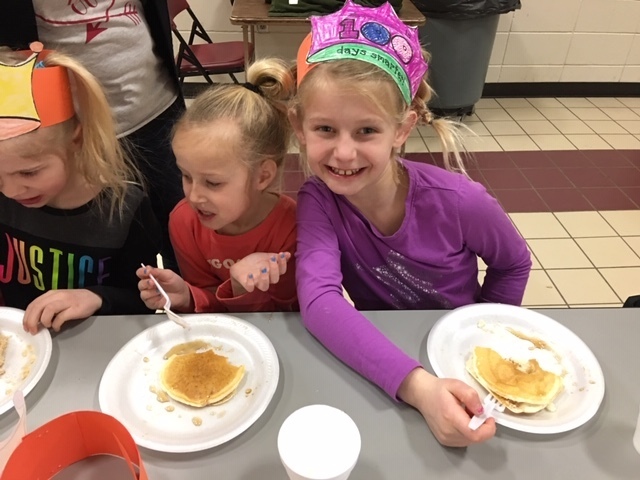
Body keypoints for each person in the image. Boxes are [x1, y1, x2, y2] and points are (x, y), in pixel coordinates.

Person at [289, 1, 532, 447]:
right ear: (299, 127)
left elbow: (513, 263)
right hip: (384, 356)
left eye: (366, 131)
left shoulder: (460, 201)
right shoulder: (317, 201)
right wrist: (419, 389)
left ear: (402, 130)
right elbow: (320, 302)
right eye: (325, 129)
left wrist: (481, 335)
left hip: (458, 359)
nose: (344, 153)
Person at [0, 0, 186, 273]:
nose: (11, 190)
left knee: (178, 237)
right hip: (46, 130)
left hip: (154, 107)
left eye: (28, 175)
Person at [0, 46, 161, 334]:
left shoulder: (125, 211)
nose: (11, 191)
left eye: (29, 172)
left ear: (76, 139)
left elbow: (147, 301)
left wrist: (97, 297)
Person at [137, 59, 298, 313]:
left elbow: (289, 311)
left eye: (212, 183)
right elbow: (207, 304)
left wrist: (242, 289)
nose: (194, 196)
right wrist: (186, 296)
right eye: (186, 176)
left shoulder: (293, 226)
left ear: (262, 176)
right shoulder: (184, 222)